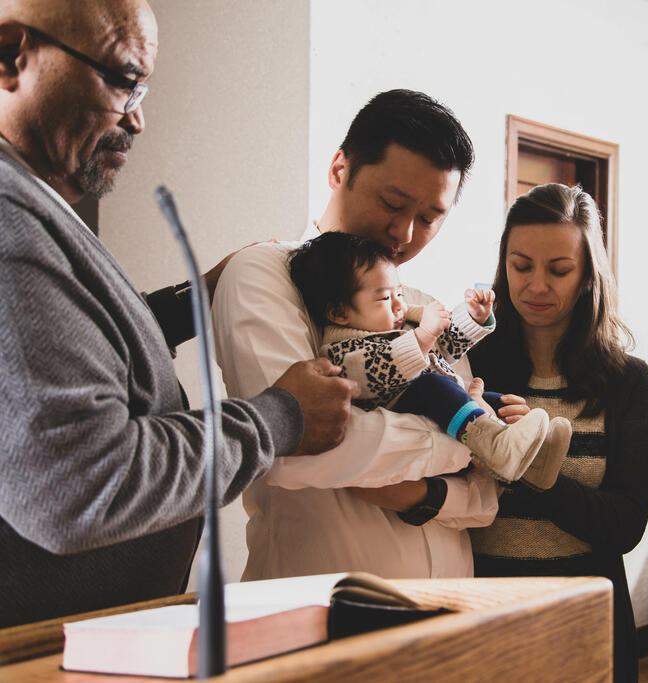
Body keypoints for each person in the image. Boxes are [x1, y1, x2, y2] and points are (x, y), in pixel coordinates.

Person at [0, 0, 356, 628]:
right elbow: (82, 486)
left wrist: (184, 306)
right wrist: (281, 417)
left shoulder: (33, 208)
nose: (138, 119)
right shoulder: (10, 229)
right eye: (122, 80)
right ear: (11, 56)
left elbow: (62, 352)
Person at [213, 89, 513, 581]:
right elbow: (300, 449)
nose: (403, 233)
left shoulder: (418, 303)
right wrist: (471, 437)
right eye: (392, 203)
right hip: (325, 612)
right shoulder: (265, 275)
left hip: (453, 612)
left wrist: (430, 493)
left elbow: (483, 503)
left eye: (429, 218)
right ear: (339, 170)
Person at [467, 183, 648, 683]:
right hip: (485, 610)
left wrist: (539, 473)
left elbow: (624, 526)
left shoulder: (627, 381)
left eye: (558, 270)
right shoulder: (473, 366)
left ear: (588, 275)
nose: (536, 286)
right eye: (521, 265)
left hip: (585, 612)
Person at [288, 231, 570, 488]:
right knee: (433, 386)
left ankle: (535, 462)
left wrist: (473, 318)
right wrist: (423, 335)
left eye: (399, 293)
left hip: (450, 413)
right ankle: (497, 447)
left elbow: (445, 347)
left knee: (500, 401)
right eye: (385, 298)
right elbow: (378, 371)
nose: (399, 304)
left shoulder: (400, 328)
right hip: (423, 425)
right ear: (339, 313)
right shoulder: (340, 353)